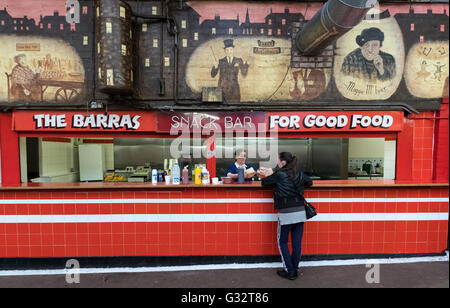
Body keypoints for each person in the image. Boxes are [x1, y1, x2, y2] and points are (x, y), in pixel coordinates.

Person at [259, 152, 313, 280]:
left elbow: (264, 183)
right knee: (297, 243)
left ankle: (290, 271)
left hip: (286, 213)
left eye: (278, 160)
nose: (277, 162)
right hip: (300, 211)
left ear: (283, 162)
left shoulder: (279, 174)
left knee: (282, 241)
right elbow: (309, 182)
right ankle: (295, 268)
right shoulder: (299, 173)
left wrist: (272, 173)